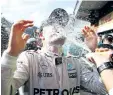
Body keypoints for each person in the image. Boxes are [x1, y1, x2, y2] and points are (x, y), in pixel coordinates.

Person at [1, 8, 107, 95]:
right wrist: (11, 54)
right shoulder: (29, 59)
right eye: (52, 23)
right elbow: (4, 91)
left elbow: (103, 89)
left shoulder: (76, 62)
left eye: (62, 24)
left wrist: (95, 53)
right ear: (41, 35)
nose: (58, 26)